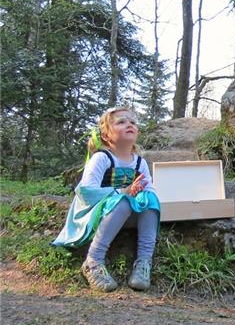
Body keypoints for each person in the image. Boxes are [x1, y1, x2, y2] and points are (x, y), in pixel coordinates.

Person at [53, 107, 161, 292]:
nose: (129, 124)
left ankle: (144, 263)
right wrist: (122, 192)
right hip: (97, 214)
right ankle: (93, 261)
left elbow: (147, 187)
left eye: (133, 122)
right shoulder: (101, 158)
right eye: (121, 122)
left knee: (151, 200)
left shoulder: (139, 162)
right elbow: (87, 192)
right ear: (105, 134)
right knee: (124, 200)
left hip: (126, 213)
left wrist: (142, 194)